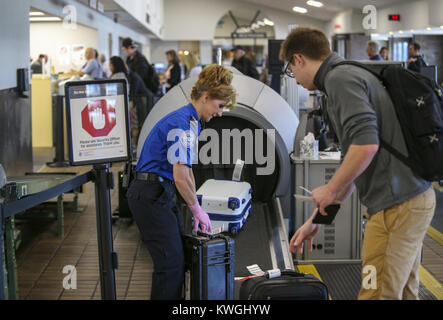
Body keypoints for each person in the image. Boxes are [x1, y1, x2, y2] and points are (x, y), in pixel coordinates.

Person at [280, 27, 435, 300]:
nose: (295, 79)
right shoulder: (349, 73)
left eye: (291, 69)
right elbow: (353, 166)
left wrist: (328, 191)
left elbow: (366, 146)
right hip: (410, 202)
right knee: (405, 291)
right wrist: (317, 220)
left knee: (376, 293)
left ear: (299, 58)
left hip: (395, 209)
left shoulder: (340, 80)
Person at [126, 64, 236, 300]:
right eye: (220, 105)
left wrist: (196, 206)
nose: (220, 112)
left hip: (159, 193)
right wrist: (196, 209)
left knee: (179, 258)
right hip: (149, 195)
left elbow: (187, 172)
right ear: (206, 97)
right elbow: (179, 175)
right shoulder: (181, 123)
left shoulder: (192, 121)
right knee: (170, 265)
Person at [109, 56, 153, 148]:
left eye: (110, 64)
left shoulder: (118, 77)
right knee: (133, 125)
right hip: (133, 103)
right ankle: (133, 145)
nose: (109, 67)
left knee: (133, 125)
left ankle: (133, 145)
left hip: (131, 104)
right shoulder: (126, 76)